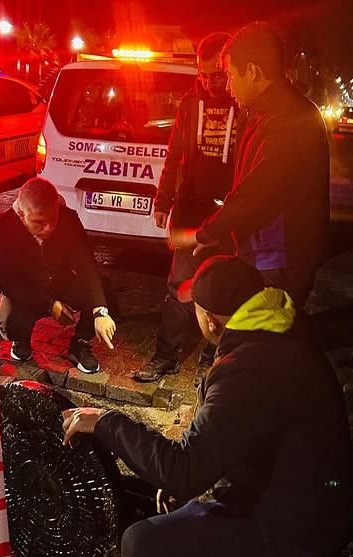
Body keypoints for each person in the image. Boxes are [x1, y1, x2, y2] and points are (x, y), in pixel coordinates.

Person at [62, 256, 353, 557]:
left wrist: (106, 422)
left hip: (298, 532)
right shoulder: (283, 332)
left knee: (140, 547)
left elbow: (182, 470)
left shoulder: (245, 370)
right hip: (319, 507)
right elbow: (244, 440)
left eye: (196, 309)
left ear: (212, 321)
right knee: (179, 497)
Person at [170, 23, 330, 310]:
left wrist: (203, 234)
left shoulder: (292, 120)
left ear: (253, 71)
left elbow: (258, 192)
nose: (228, 87)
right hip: (260, 255)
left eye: (231, 76)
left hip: (279, 263)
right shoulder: (258, 115)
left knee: (264, 340)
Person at [135, 32, 238, 384]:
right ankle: (166, 355)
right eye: (203, 74)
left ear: (229, 69)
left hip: (231, 214)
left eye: (216, 75)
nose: (209, 82)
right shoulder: (189, 103)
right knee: (179, 285)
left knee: (224, 286)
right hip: (190, 209)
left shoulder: (245, 107)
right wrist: (163, 200)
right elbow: (174, 154)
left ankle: (216, 358)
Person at [0, 177, 116, 374]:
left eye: (53, 219)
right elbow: (6, 283)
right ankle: (21, 339)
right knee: (10, 322)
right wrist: (50, 304)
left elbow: (87, 265)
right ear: (21, 214)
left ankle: (79, 343)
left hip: (60, 283)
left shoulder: (69, 218)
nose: (49, 228)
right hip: (26, 292)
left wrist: (100, 311)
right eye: (39, 222)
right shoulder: (0, 228)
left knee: (103, 291)